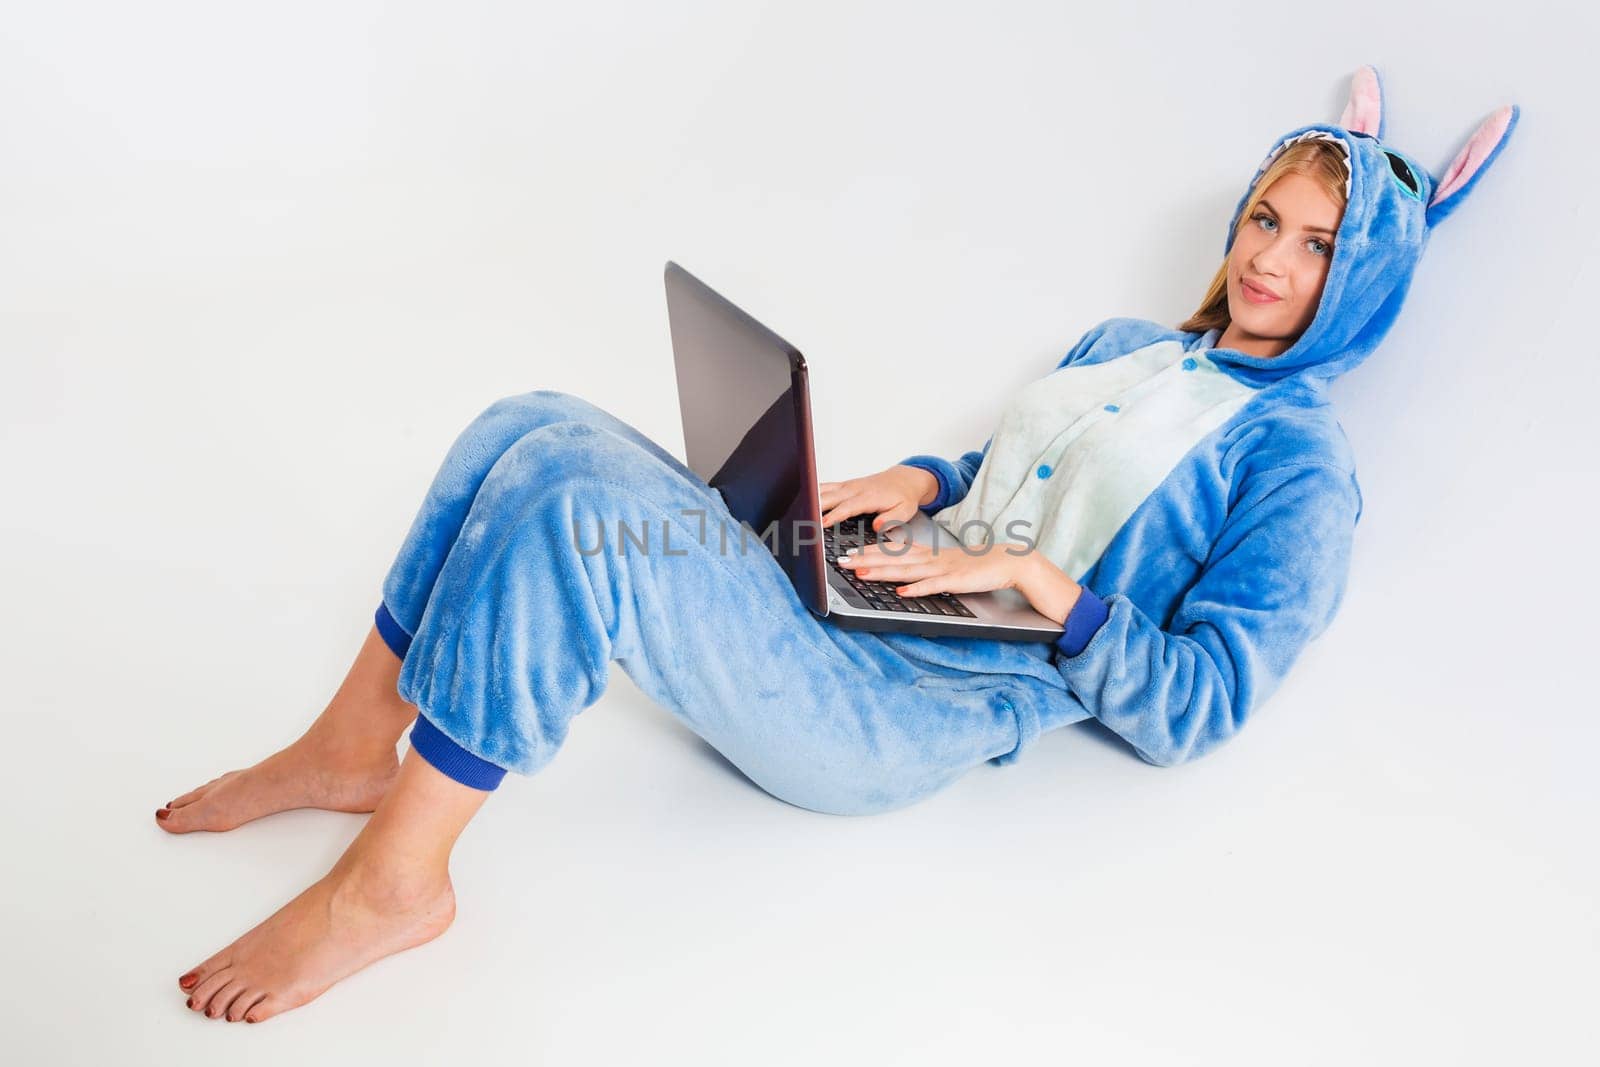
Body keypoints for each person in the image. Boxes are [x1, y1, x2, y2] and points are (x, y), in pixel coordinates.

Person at [157, 66, 1518, 1024]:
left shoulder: (1300, 465)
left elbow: (1205, 705)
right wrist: (908, 479)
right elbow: (1002, 471)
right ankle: (349, 746)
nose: (1277, 259)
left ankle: (396, 885)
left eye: (1325, 248)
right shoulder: (1127, 348)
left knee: (577, 508)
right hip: (867, 596)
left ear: (1371, 283)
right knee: (532, 417)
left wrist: (1042, 586)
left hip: (902, 709)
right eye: (1267, 220)